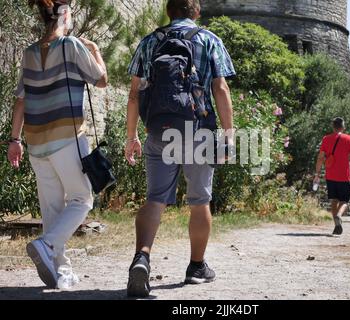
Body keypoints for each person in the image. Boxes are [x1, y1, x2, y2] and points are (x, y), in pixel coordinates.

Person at [124, 0, 235, 297]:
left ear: (168, 12)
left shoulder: (150, 41)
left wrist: (131, 135)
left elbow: (134, 95)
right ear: (196, 12)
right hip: (197, 130)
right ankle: (196, 267)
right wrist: (229, 134)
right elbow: (220, 88)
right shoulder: (209, 39)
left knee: (155, 199)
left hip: (159, 130)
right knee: (199, 200)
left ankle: (142, 257)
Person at [7, 0, 107, 289]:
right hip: (67, 137)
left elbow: (21, 100)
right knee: (82, 199)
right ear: (64, 14)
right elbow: (101, 80)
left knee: (52, 210)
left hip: (36, 143)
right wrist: (96, 52)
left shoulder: (28, 53)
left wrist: (15, 139)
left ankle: (61, 272)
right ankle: (48, 245)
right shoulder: (71, 45)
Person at [314, 117, 350, 235]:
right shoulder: (348, 139)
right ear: (343, 127)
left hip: (330, 176)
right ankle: (339, 216)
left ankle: (336, 225)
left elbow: (320, 158)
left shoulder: (326, 139)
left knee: (334, 200)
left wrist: (317, 174)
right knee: (344, 201)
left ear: (333, 127)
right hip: (344, 176)